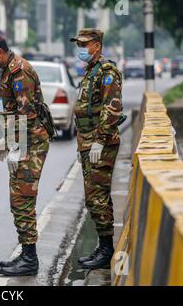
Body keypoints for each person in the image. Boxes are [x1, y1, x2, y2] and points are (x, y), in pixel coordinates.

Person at [0, 28, 50, 276]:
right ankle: (27, 254)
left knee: (23, 198)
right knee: (18, 199)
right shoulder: (6, 71)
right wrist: (7, 139)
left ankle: (30, 258)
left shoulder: (19, 72)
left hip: (31, 143)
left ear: (0, 51)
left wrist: (15, 146)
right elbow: (11, 112)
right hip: (22, 141)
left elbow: (27, 116)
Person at [70, 28, 123, 269]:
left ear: (97, 46)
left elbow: (111, 108)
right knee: (94, 196)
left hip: (100, 143)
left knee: (97, 196)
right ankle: (103, 247)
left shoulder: (107, 71)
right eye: (79, 44)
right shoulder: (91, 71)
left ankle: (106, 249)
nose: (80, 48)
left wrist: (100, 140)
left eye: (84, 44)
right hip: (88, 142)